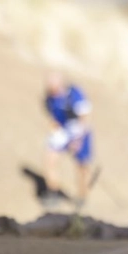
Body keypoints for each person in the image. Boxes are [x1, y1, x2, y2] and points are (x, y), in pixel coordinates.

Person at [43, 71, 96, 202]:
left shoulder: (74, 94)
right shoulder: (49, 98)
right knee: (50, 160)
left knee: (82, 168)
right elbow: (53, 116)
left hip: (79, 132)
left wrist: (78, 140)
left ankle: (83, 197)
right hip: (62, 133)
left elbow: (85, 118)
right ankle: (53, 192)